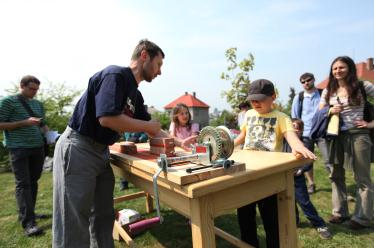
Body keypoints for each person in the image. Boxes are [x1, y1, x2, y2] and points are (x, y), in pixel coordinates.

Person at [52, 39, 164, 247]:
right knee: (74, 221)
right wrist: (149, 128)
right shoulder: (115, 75)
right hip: (79, 148)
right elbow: (107, 118)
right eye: (159, 64)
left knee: (103, 216)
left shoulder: (135, 95)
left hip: (101, 153)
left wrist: (182, 141)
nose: (159, 72)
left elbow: (153, 126)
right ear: (144, 55)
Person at [234, 79, 316, 247]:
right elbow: (242, 137)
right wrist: (226, 147)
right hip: (246, 171)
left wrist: (299, 147)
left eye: (260, 99)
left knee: (271, 218)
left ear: (273, 97)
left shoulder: (282, 117)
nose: (255, 103)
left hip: (268, 174)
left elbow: (291, 137)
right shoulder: (248, 115)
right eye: (252, 99)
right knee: (245, 215)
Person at [319, 56, 374, 230]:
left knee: (362, 178)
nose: (337, 71)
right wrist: (330, 109)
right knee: (335, 175)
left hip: (358, 135)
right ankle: (339, 213)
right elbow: (319, 110)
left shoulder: (363, 86)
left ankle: (362, 218)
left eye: (341, 67)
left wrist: (371, 124)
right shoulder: (328, 90)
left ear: (350, 68)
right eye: (335, 68)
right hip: (336, 136)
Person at [0, 75, 49, 236]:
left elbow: (42, 125)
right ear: (22, 85)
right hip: (18, 148)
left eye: (36, 89)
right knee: (23, 184)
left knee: (33, 182)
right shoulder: (8, 102)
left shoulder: (37, 104)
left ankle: (30, 213)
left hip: (38, 148)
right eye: (31, 89)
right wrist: (24, 123)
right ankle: (28, 223)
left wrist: (49, 134)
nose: (34, 92)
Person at [285, 119, 332, 239]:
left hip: (298, 178)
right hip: (285, 176)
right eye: (292, 127)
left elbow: (308, 162)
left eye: (297, 127)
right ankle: (294, 221)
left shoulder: (305, 143)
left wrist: (300, 171)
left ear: (301, 131)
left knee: (304, 202)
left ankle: (320, 224)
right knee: (288, 201)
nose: (294, 129)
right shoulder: (285, 142)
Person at [291, 72, 332, 194]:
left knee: (328, 159)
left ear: (313, 80)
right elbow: (295, 117)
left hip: (322, 132)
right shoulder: (299, 97)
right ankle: (311, 184)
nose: (306, 83)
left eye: (308, 80)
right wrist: (297, 134)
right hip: (306, 133)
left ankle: (335, 182)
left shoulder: (322, 93)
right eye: (303, 82)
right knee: (307, 160)